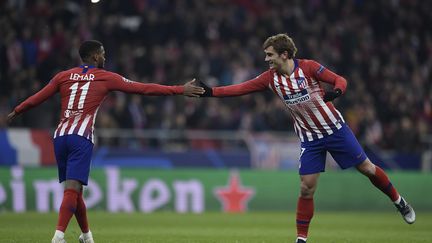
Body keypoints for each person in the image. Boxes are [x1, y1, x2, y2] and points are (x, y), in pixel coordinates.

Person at [198, 33, 415, 243]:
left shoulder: (309, 67)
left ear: (284, 54)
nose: (267, 60)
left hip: (335, 130)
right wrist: (211, 93)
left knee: (367, 168)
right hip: (310, 138)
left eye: (270, 55)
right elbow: (240, 88)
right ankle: (301, 238)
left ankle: (399, 201)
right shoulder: (270, 78)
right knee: (306, 187)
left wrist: (337, 92)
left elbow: (340, 80)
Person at [7, 40, 204, 243]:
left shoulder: (63, 76)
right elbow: (144, 89)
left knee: (76, 191)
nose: (105, 57)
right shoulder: (106, 77)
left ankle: (87, 237)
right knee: (72, 189)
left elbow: (39, 97)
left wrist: (17, 110)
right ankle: (58, 237)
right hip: (80, 137)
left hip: (60, 137)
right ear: (94, 57)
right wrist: (180, 89)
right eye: (102, 54)